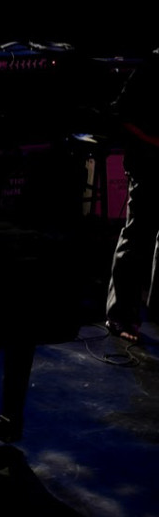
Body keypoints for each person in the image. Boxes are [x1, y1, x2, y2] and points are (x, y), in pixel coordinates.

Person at [105, 46, 159, 343]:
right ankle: (119, 315)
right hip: (149, 164)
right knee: (137, 237)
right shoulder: (154, 65)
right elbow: (121, 112)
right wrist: (154, 140)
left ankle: (155, 311)